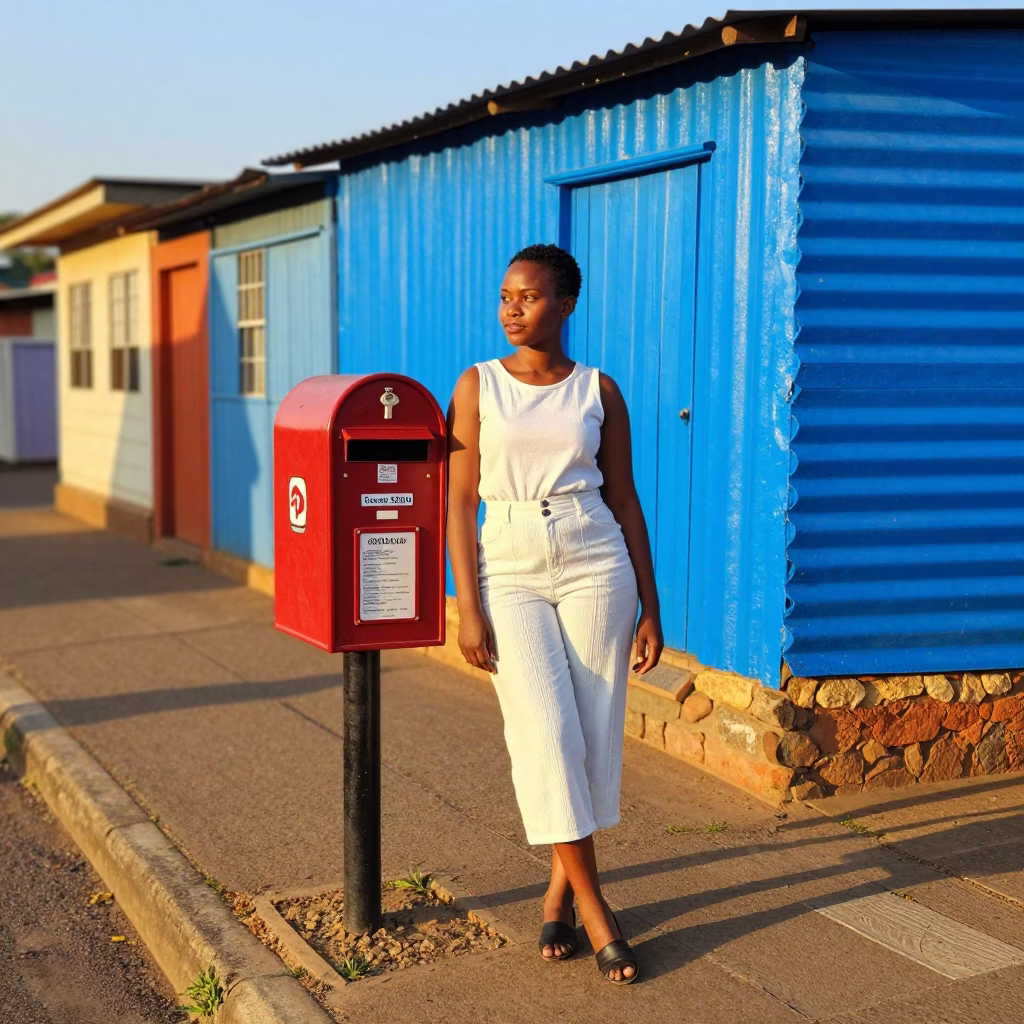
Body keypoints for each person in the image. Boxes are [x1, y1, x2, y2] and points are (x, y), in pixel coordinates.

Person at [446, 243, 663, 985]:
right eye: (505, 295)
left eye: (528, 297)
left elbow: (625, 498)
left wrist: (651, 606)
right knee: (543, 732)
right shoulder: (476, 387)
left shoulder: (600, 391)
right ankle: (598, 907)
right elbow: (457, 499)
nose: (511, 309)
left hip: (593, 555)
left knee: (594, 737)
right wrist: (466, 607)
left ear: (565, 304)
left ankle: (556, 891)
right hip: (506, 560)